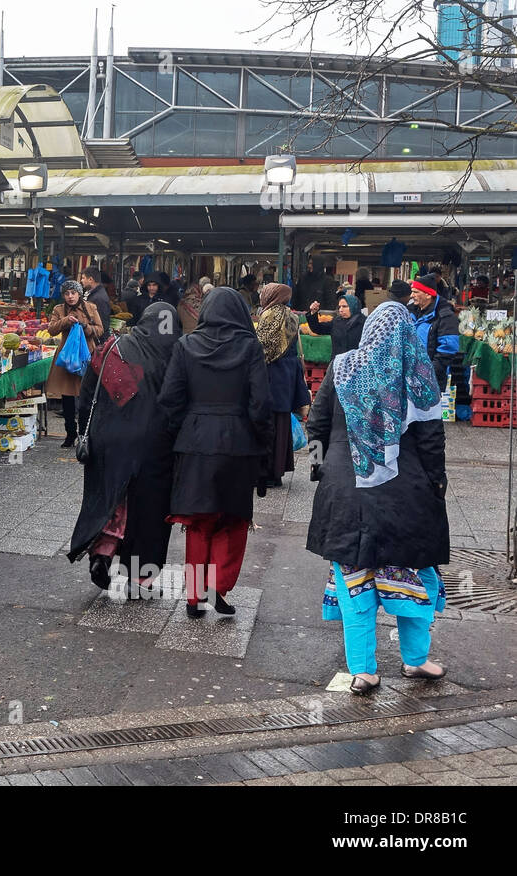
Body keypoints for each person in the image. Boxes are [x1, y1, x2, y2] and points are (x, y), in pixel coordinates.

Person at [306, 302, 449, 695]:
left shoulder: (342, 366)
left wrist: (320, 470)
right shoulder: (420, 373)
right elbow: (432, 439)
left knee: (354, 577)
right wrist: (438, 483)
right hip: (408, 496)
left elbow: (315, 425)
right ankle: (416, 659)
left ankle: (363, 670)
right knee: (416, 573)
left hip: (345, 492)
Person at [158, 288, 271, 618]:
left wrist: (185, 428)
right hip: (239, 443)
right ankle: (217, 587)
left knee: (198, 522)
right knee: (232, 520)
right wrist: (263, 443)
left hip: (195, 442)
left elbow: (169, 398)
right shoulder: (250, 347)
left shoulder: (185, 345)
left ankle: (194, 596)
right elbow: (260, 404)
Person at [68, 302, 179, 595]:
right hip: (155, 444)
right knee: (149, 510)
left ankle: (102, 553)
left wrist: (83, 432)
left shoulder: (112, 348)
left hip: (109, 439)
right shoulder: (175, 354)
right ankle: (140, 578)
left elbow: (86, 395)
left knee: (111, 498)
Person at [256, 284, 310, 488]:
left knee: (268, 423)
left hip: (272, 375)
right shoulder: (292, 315)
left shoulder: (270, 315)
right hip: (287, 377)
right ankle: (277, 471)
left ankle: (267, 471)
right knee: (282, 424)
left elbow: (262, 347)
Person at [46, 279, 104, 447]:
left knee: (86, 398)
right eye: (66, 293)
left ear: (79, 293)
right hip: (67, 358)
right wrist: (66, 321)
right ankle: (70, 434)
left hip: (87, 356)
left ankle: (83, 433)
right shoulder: (59, 309)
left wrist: (86, 326)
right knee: (68, 398)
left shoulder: (91, 307)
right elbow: (51, 329)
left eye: (73, 293)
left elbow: (100, 330)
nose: (70, 296)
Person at [408, 274, 462, 393]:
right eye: (412, 292)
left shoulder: (445, 316)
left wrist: (428, 372)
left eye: (416, 292)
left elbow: (448, 349)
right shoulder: (410, 312)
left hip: (432, 379)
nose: (412, 296)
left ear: (428, 294)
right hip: (410, 377)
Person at [306, 292, 365, 358]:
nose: (341, 310)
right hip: (337, 364)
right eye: (339, 307)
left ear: (353, 306)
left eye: (344, 306)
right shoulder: (336, 322)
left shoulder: (364, 323)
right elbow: (317, 328)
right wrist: (313, 313)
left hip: (355, 364)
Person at [79, 267, 111, 338]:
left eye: (83, 278)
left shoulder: (98, 298)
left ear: (90, 279)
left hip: (97, 340)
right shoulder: (94, 294)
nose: (81, 281)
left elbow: (102, 324)